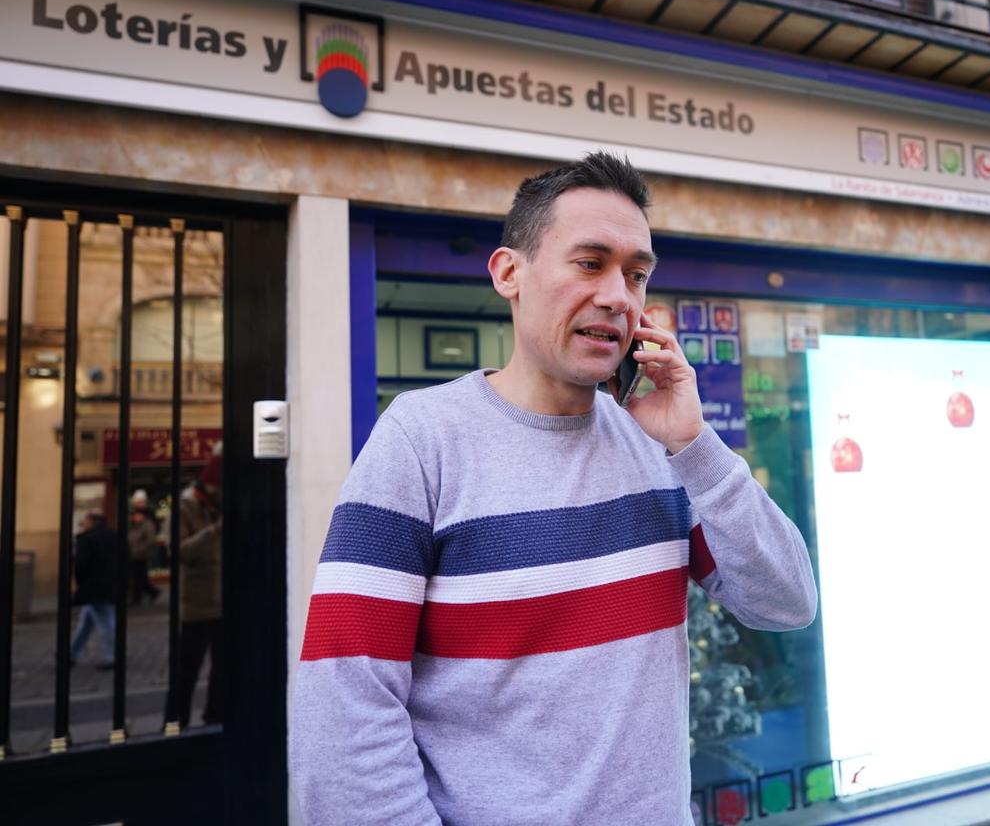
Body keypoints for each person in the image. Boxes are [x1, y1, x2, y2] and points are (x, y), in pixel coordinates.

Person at [290, 152, 817, 825]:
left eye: (636, 274)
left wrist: (697, 447)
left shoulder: (663, 448)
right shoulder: (421, 442)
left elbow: (786, 603)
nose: (618, 296)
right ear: (510, 273)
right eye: (589, 263)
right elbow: (343, 717)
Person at [174, 454, 223, 727]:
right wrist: (213, 531)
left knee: (222, 670)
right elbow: (179, 551)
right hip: (197, 603)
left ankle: (215, 720)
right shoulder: (187, 507)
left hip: (224, 603)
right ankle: (175, 722)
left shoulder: (218, 506)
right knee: (187, 670)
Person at [69, 512, 119, 670]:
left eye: (84, 520)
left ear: (91, 522)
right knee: (86, 622)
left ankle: (110, 657)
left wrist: (80, 584)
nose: (82, 522)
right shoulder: (113, 536)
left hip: (94, 587)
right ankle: (71, 654)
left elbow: (81, 565)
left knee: (105, 622)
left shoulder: (87, 539)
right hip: (109, 584)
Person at [128, 491, 160, 605]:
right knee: (140, 576)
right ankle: (152, 592)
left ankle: (139, 597)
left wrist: (140, 549)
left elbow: (150, 539)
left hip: (141, 554)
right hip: (135, 553)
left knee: (138, 576)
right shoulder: (134, 524)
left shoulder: (148, 523)